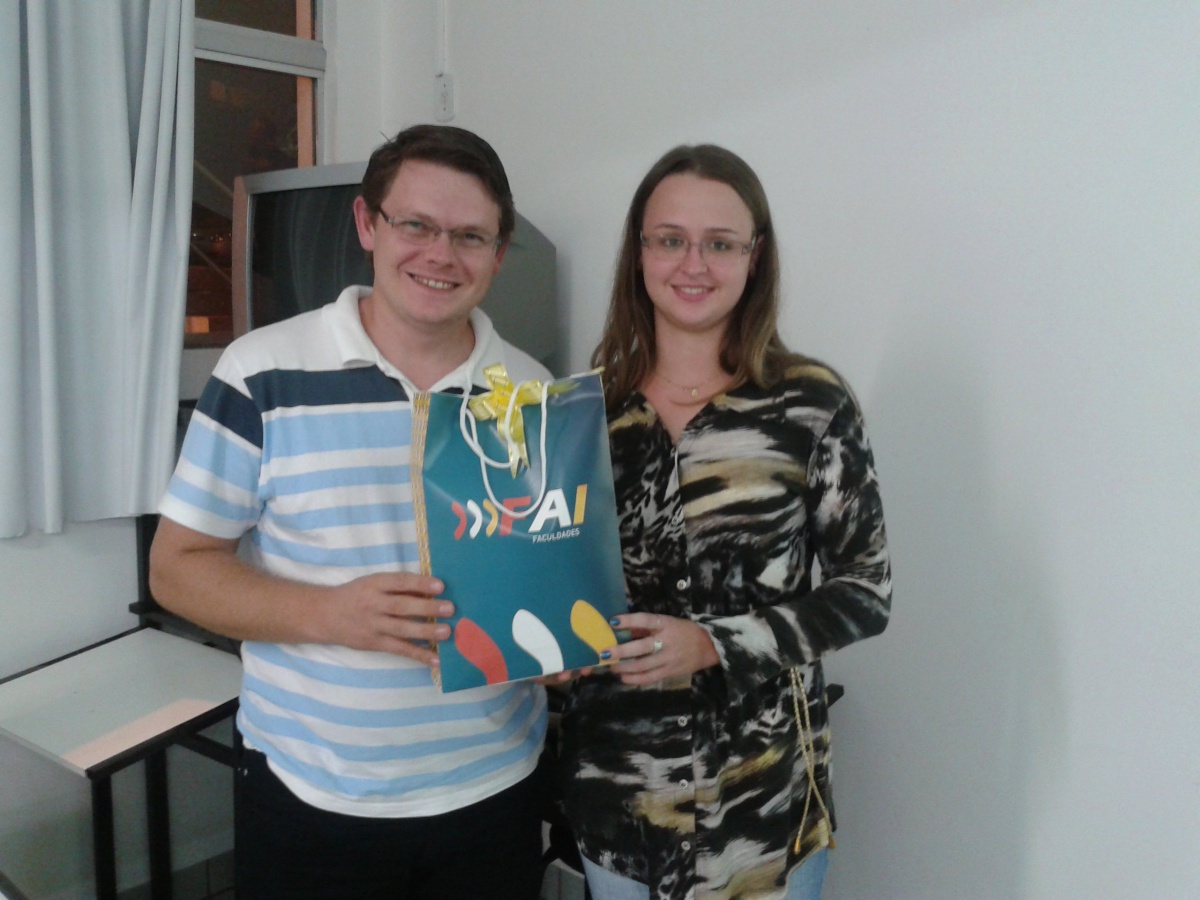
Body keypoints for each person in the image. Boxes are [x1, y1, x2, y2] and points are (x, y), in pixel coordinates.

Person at [150, 125, 550, 900]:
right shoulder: (260, 372)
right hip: (311, 797)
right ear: (368, 224)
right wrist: (331, 613)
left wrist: (562, 640)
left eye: (470, 236)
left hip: (493, 791)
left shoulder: (532, 393)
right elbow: (176, 570)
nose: (441, 255)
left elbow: (536, 587)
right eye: (416, 225)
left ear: (499, 255)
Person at [557, 145, 892, 900]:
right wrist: (548, 650)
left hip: (763, 807)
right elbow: (558, 588)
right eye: (670, 239)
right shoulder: (581, 414)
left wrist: (715, 643)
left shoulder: (812, 404)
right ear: (639, 252)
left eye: (720, 243)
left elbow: (866, 591)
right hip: (617, 802)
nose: (693, 263)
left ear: (754, 256)